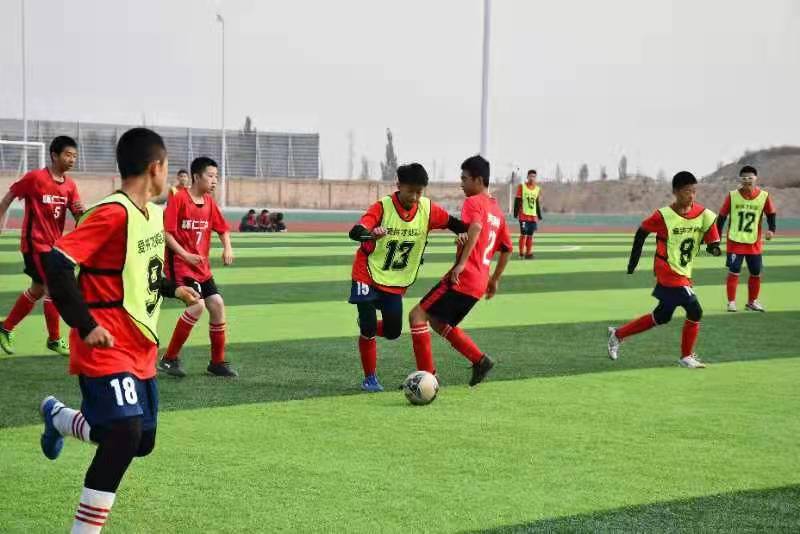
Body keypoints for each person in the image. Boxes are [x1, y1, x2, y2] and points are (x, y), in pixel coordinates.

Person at [39, 127, 200, 533]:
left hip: (140, 346)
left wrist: (173, 288)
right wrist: (85, 324)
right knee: (125, 435)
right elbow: (57, 264)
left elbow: (139, 272)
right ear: (156, 167)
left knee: (141, 440)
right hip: (105, 342)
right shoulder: (112, 212)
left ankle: (59, 418)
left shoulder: (152, 215)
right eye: (167, 166)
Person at [348, 163, 468, 392]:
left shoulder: (427, 209)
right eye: (410, 191)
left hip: (395, 281)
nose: (414, 197)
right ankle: (370, 378)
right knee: (369, 327)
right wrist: (371, 233)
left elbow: (456, 224)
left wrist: (463, 233)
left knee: (393, 332)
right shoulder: (382, 207)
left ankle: (366, 325)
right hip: (367, 272)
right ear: (399, 186)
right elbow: (356, 231)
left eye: (419, 192)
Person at [408, 155, 512, 386]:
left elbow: (475, 228)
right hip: (479, 282)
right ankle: (480, 360)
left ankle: (427, 378)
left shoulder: (474, 202)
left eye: (464, 179)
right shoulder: (497, 212)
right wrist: (494, 279)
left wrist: (462, 263)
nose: (461, 183)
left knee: (417, 316)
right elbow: (507, 249)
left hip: (464, 277)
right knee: (438, 322)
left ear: (478, 180)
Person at [607, 171, 721, 368]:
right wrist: (633, 262)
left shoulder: (704, 215)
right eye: (687, 191)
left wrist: (714, 248)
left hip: (683, 271)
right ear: (676, 192)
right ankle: (686, 357)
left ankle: (618, 334)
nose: (692, 195)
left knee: (662, 316)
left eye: (694, 191)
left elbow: (713, 241)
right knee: (695, 310)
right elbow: (641, 233)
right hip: (667, 270)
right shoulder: (663, 216)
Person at [0, 136, 84, 356]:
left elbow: (78, 215)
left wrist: (81, 214)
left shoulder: (70, 185)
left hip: (54, 246)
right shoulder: (35, 178)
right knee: (53, 287)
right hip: (34, 244)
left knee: (37, 290)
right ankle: (54, 339)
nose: (72, 159)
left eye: (75, 156)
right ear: (54, 155)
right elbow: (9, 197)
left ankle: (5, 327)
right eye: (68, 155)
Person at [158, 156, 237, 378]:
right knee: (196, 306)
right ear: (196, 176)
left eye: (216, 177)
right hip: (180, 266)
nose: (214, 181)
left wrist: (227, 248)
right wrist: (184, 254)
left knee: (217, 304)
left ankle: (217, 362)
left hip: (201, 268)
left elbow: (223, 229)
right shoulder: (179, 199)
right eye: (210, 176)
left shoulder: (210, 203)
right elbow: (166, 234)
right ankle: (169, 359)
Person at [716, 165, 777, 312]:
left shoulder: (764, 196)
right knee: (734, 271)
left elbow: (771, 213)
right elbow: (722, 216)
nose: (747, 180)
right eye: (744, 178)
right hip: (735, 241)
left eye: (750, 178)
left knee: (756, 272)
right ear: (740, 180)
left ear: (755, 179)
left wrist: (771, 229)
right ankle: (731, 302)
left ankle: (752, 302)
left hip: (753, 242)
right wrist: (716, 237)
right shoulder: (732, 196)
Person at [513, 169, 543, 259]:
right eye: (530, 176)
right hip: (523, 215)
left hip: (533, 216)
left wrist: (539, 214)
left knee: (530, 235)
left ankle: (528, 253)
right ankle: (521, 253)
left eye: (534, 177)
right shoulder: (522, 187)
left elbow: (537, 203)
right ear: (527, 177)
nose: (532, 178)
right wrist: (515, 212)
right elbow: (517, 200)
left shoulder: (537, 189)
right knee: (523, 234)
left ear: (536, 178)